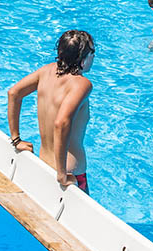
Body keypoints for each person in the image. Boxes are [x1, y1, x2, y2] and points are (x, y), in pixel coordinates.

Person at [6, 30, 95, 193]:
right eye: (92, 52)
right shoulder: (81, 84)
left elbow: (14, 93)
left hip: (44, 164)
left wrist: (16, 139)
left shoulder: (45, 72)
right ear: (82, 59)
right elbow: (61, 123)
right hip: (70, 174)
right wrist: (62, 174)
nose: (93, 57)